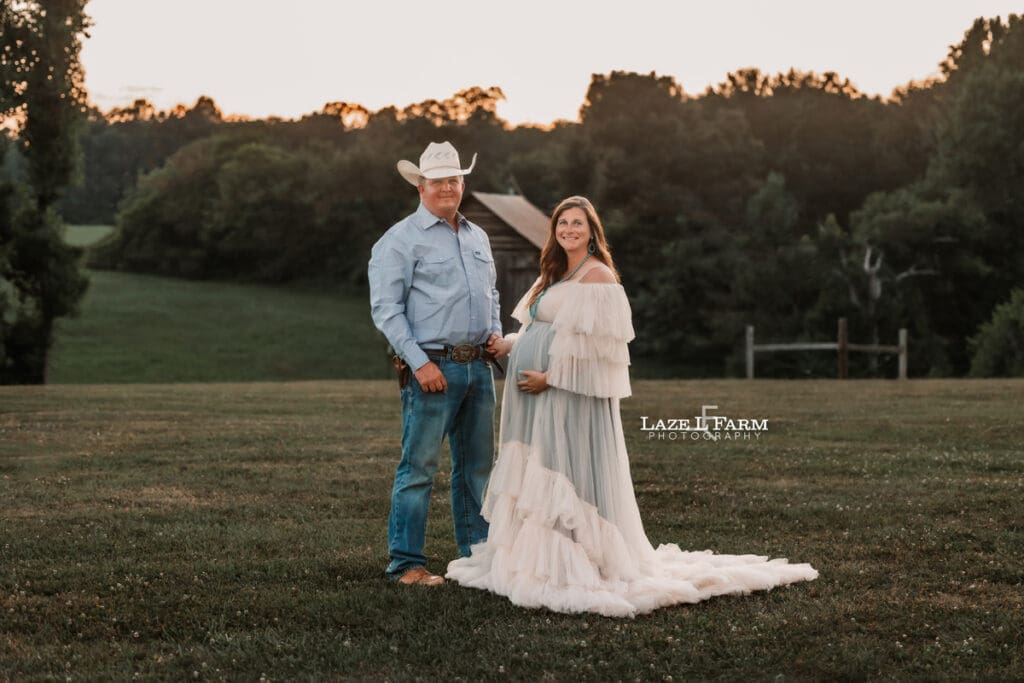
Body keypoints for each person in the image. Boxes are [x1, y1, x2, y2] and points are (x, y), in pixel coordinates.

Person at [446, 196, 818, 616]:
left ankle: (576, 560)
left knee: (563, 471)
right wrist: (511, 344)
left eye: (578, 224)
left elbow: (603, 351)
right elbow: (541, 330)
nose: (569, 229)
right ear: (554, 231)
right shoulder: (552, 274)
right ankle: (532, 558)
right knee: (537, 468)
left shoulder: (598, 277)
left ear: (592, 232)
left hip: (566, 397)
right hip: (533, 398)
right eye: (562, 223)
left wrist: (551, 378)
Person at [368, 141, 505, 587]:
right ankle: (407, 564)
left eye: (454, 180)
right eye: (437, 181)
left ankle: (476, 557)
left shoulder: (477, 236)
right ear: (421, 186)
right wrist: (419, 363)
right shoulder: (399, 240)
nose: (447, 187)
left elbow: (492, 295)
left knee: (478, 468)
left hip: (479, 368)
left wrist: (497, 333)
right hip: (433, 370)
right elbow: (386, 310)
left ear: (461, 184)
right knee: (419, 469)